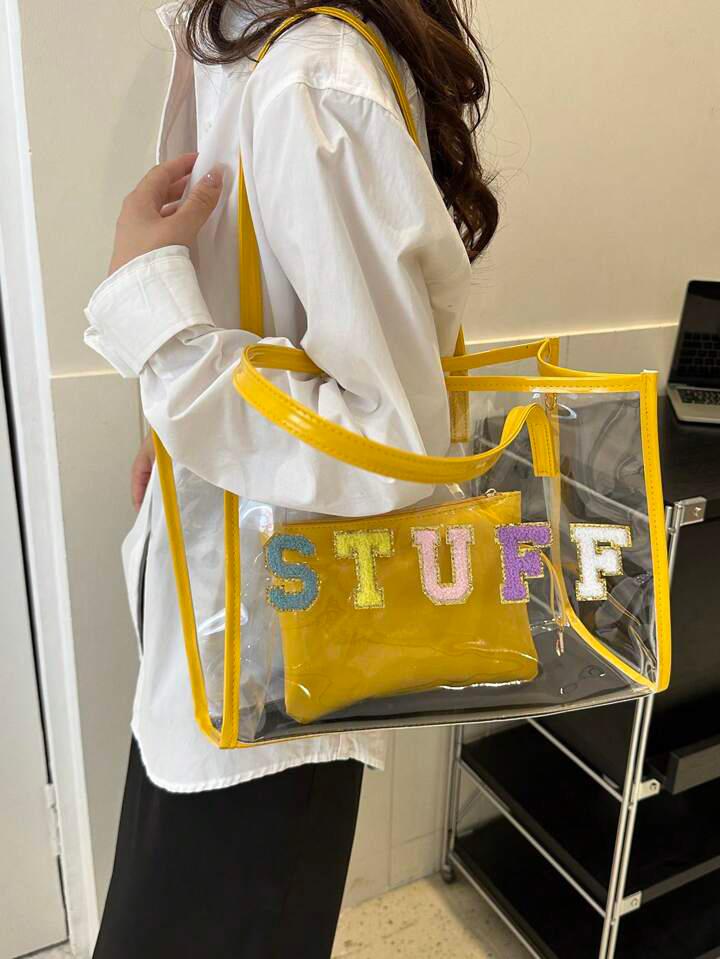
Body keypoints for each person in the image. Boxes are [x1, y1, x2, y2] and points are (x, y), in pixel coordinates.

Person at [84, 1, 498, 956]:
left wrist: (158, 330)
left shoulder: (308, 72)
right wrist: (178, 423)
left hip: (274, 662)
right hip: (227, 646)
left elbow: (392, 437)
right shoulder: (241, 45)